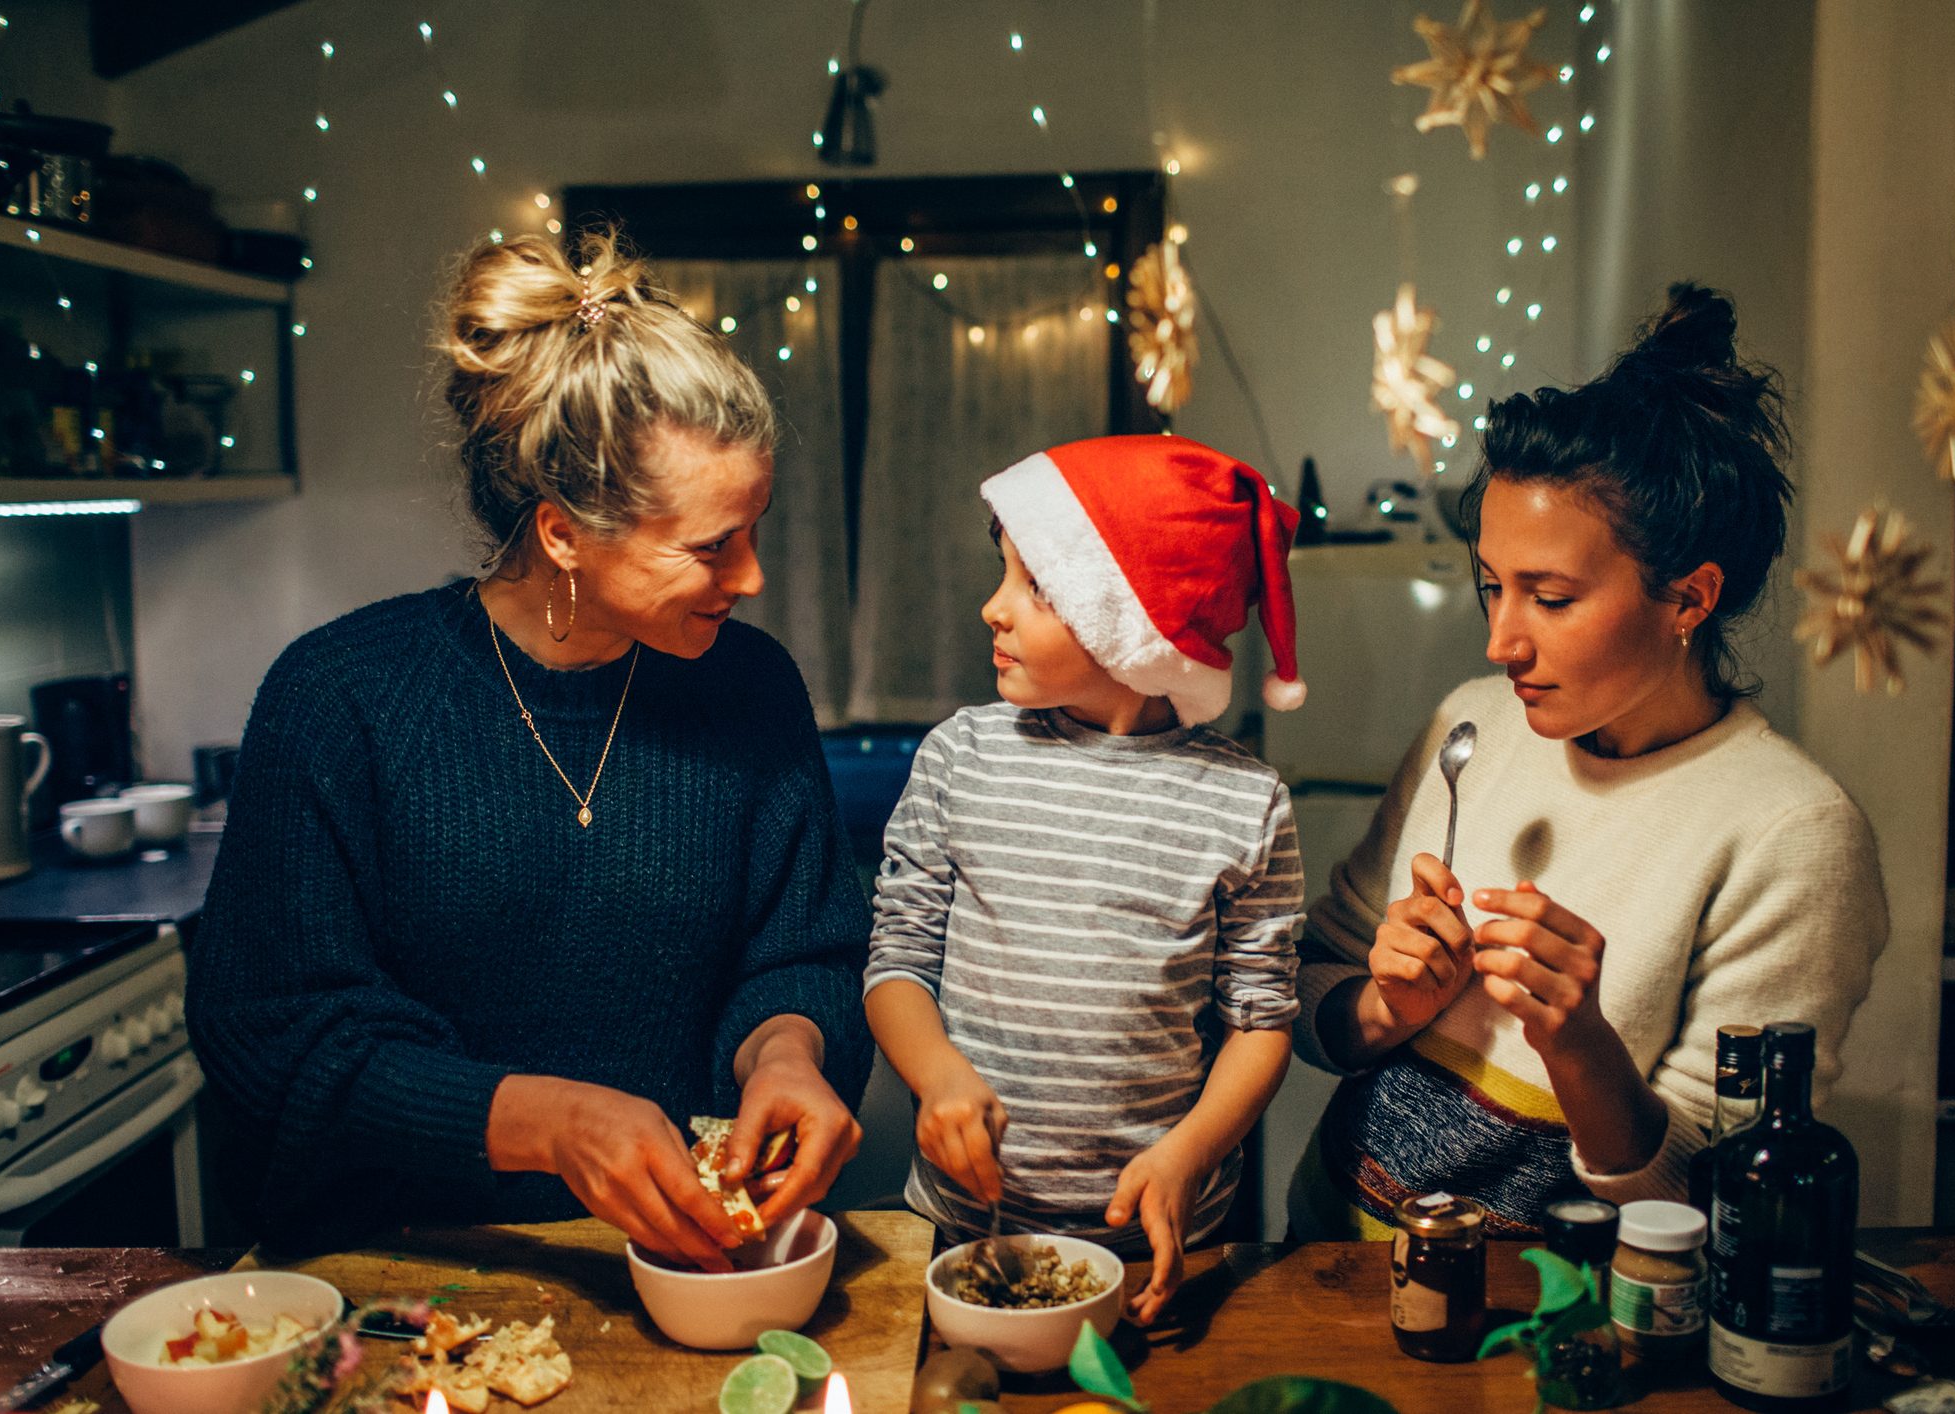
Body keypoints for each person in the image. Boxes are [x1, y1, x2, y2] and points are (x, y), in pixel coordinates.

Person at [186, 230, 869, 1266]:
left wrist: (790, 1052)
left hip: (675, 1267)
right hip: (399, 1271)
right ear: (561, 533)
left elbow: (801, 951)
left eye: (756, 527)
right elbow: (274, 1035)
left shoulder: (750, 687)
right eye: (711, 546)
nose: (754, 578)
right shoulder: (339, 697)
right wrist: (548, 1123)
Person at [1288, 284, 1889, 1238]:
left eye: (1550, 597)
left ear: (1687, 599)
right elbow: (1313, 994)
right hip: (1331, 1253)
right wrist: (1386, 1004)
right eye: (1491, 587)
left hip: (1550, 1322)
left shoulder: (1792, 833)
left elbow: (1715, 1197)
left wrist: (1578, 1044)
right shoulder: (1470, 727)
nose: (1501, 642)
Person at [864, 437, 1308, 1322]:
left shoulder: (1245, 800)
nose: (994, 609)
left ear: (1130, 621)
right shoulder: (962, 756)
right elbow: (896, 961)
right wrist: (939, 1076)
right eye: (1003, 575)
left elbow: (1259, 1023)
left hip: (1158, 1246)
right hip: (964, 1229)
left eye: (1035, 587)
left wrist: (1186, 1156)